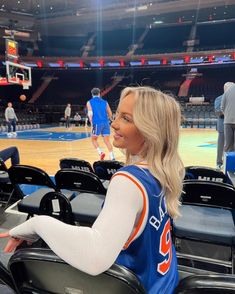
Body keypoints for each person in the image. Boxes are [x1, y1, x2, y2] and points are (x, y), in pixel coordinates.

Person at [0, 86, 184, 294]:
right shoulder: (164, 170)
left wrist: (37, 224)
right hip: (166, 282)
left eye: (126, 118)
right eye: (116, 116)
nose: (113, 124)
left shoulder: (128, 181)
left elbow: (95, 257)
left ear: (151, 129)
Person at [87, 88, 115, 160]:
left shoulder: (89, 102)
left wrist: (91, 122)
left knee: (94, 140)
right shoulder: (105, 102)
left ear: (92, 94)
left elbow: (90, 113)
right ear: (99, 93)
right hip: (106, 123)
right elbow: (110, 113)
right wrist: (112, 120)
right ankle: (112, 156)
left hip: (96, 123)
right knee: (107, 140)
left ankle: (101, 152)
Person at [221, 82, 235, 152]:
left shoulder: (226, 93)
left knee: (227, 145)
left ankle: (226, 162)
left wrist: (227, 115)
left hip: (228, 122)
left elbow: (222, 107)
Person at [214, 94, 224, 169]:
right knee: (221, 146)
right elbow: (218, 112)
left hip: (232, 124)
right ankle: (219, 163)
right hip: (223, 126)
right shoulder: (219, 98)